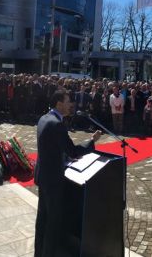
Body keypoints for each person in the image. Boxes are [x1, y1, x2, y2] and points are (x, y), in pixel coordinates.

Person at [34, 90, 102, 257]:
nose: (71, 104)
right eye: (67, 101)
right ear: (59, 104)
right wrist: (92, 141)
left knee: (42, 217)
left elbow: (52, 147)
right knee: (52, 221)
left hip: (43, 175)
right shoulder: (57, 124)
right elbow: (72, 150)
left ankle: (39, 252)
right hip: (53, 179)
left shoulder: (44, 118)